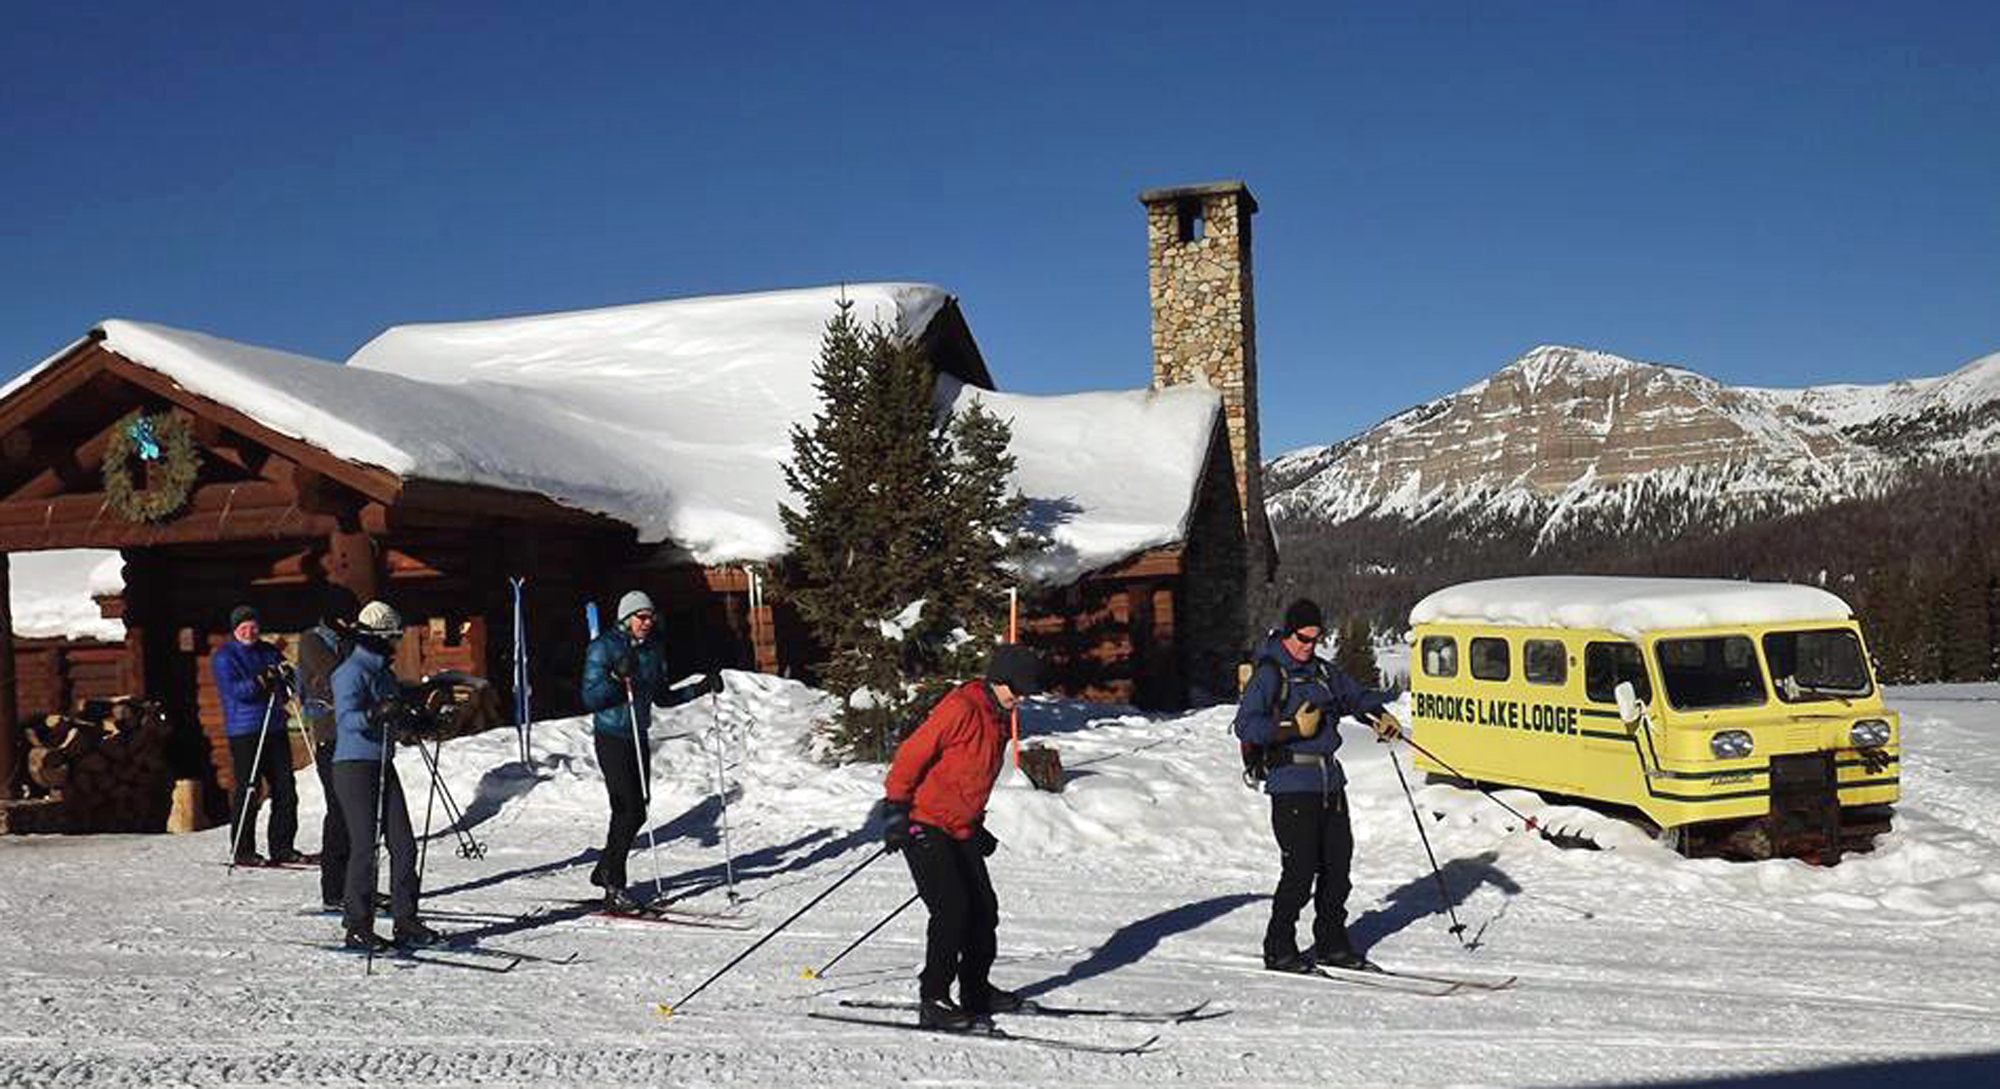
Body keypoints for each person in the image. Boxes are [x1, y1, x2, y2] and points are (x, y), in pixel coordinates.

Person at [878, 643, 1043, 1031]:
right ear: (998, 680)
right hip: (924, 822)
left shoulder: (998, 715)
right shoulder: (961, 708)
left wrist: (975, 823)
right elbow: (910, 755)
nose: (1020, 698)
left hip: (960, 825)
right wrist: (896, 810)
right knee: (952, 910)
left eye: (1025, 692)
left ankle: (975, 991)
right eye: (1015, 690)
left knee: (984, 909)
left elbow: (969, 775)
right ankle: (933, 999)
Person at [1234, 598, 1402, 974]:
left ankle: (1332, 944)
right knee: (1300, 870)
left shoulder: (1323, 672)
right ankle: (1279, 948)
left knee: (1337, 868)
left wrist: (1379, 714)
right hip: (1292, 783)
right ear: (1288, 632)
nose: (1309, 645)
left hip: (1330, 782)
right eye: (1303, 638)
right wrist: (1291, 728)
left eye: (1315, 638)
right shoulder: (1270, 674)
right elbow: (1246, 725)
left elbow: (1354, 697)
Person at [579, 590, 722, 912]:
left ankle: (605, 869)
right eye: (641, 617)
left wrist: (699, 688)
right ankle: (614, 884)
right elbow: (590, 699)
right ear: (625, 619)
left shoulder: (653, 649)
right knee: (626, 809)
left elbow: (661, 698)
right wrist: (617, 677)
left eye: (650, 617)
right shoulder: (603, 647)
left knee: (639, 808)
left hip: (637, 735)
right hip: (612, 736)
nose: (647, 622)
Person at [331, 600, 436, 951]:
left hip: (381, 764)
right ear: (374, 636)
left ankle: (406, 920)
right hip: (354, 767)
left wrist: (421, 721)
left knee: (404, 844)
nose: (394, 643)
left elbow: (398, 715)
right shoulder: (350, 672)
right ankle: (357, 924)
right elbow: (347, 720)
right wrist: (374, 714)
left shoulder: (384, 673)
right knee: (365, 845)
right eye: (390, 637)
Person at [212, 604, 303, 866]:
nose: (249, 631)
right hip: (245, 731)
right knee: (250, 788)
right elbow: (237, 691)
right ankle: (243, 849)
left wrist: (286, 677)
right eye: (243, 627)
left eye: (253, 627)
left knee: (285, 788)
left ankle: (283, 846)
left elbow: (289, 682)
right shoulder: (225, 657)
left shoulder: (268, 651)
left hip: (273, 726)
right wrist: (261, 680)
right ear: (235, 630)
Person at [297, 587, 358, 909]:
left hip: (355, 736)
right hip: (330, 736)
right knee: (339, 810)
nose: (350, 622)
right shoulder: (313, 640)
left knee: (358, 814)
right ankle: (334, 889)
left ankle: (358, 884)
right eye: (346, 617)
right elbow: (339, 675)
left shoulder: (347, 639)